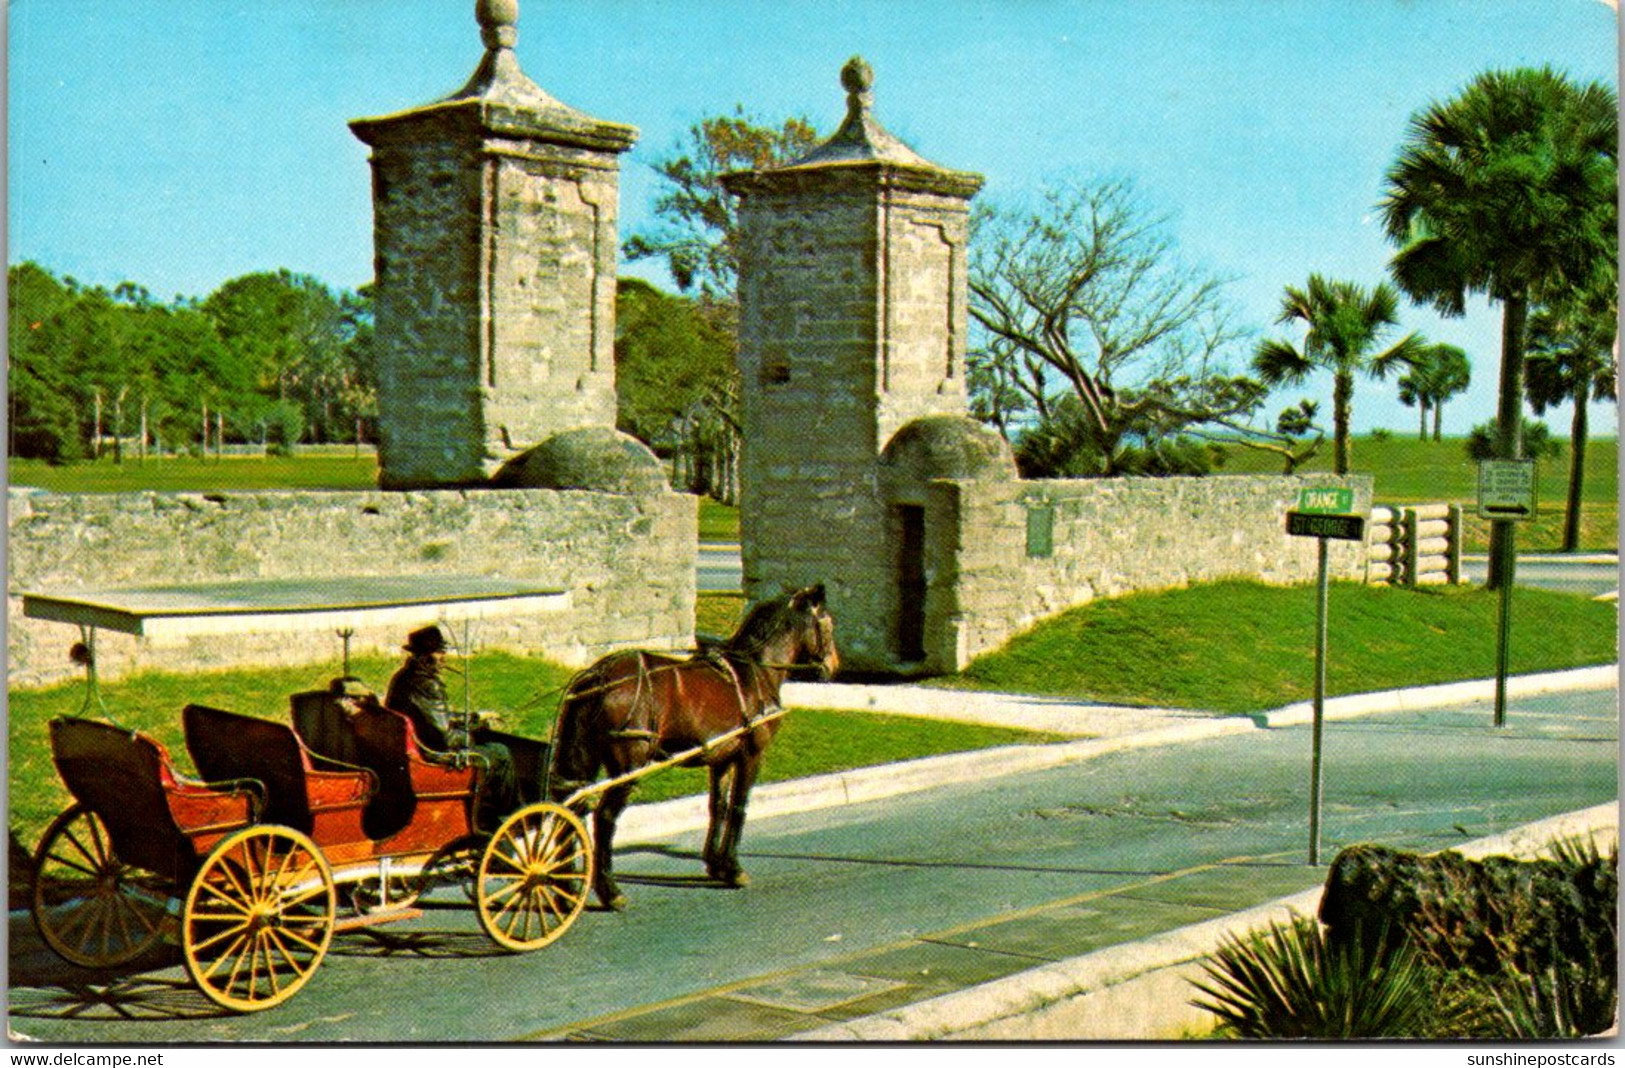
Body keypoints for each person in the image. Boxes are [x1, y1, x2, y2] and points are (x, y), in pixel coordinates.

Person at [385, 624, 517, 828]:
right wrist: (472, 734)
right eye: (439, 652)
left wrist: (474, 718)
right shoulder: (428, 684)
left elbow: (434, 717)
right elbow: (446, 738)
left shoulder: (402, 678)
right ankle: (506, 817)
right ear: (425, 656)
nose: (444, 657)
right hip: (433, 756)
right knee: (501, 753)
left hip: (411, 750)